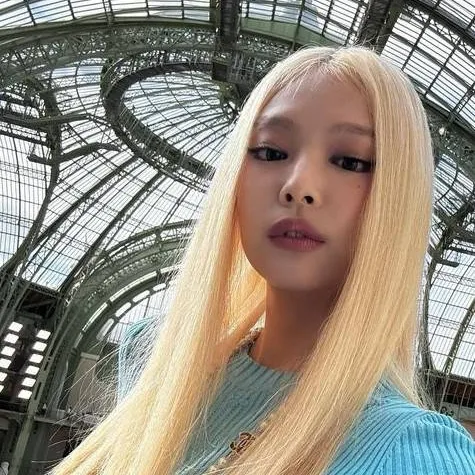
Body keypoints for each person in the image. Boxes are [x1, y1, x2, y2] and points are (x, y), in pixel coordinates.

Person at [49, 45, 475, 474]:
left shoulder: (418, 453)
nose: (298, 186)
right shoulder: (156, 357)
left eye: (350, 161)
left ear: (399, 199)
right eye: (271, 153)